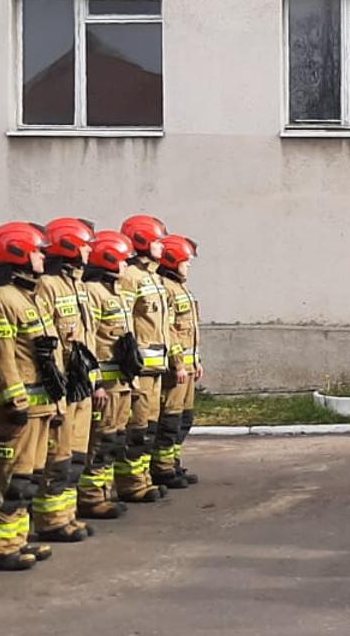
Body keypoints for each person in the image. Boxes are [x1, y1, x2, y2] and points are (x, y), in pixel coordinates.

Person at [0, 221, 62, 571]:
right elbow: (4, 353)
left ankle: (18, 537)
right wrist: (15, 400)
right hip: (20, 407)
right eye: (37, 250)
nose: (43, 256)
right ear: (17, 253)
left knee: (28, 477)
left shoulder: (30, 295)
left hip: (40, 405)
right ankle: (0, 546)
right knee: (10, 478)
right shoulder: (2, 298)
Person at [30, 217, 102, 543]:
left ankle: (67, 515)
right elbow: (44, 341)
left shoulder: (81, 286)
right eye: (85, 244)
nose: (90, 250)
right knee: (57, 456)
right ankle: (50, 518)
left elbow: (89, 337)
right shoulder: (48, 286)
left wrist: (95, 380)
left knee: (75, 455)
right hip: (64, 385)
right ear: (70, 246)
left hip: (81, 382)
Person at [75, 231, 137, 520]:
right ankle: (90, 497)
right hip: (106, 383)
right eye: (123, 260)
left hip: (120, 380)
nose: (127, 265)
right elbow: (89, 340)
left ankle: (104, 490)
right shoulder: (92, 291)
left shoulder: (117, 291)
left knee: (114, 438)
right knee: (100, 440)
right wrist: (96, 382)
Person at [114, 215, 173, 502]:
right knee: (136, 427)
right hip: (140, 369)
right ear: (142, 242)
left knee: (148, 427)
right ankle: (130, 483)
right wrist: (130, 365)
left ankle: (143, 477)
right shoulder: (130, 277)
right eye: (158, 241)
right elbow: (123, 323)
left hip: (155, 368)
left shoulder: (154, 277)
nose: (162, 247)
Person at [155, 234, 202, 488]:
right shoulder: (167, 289)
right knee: (170, 420)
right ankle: (162, 469)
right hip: (177, 369)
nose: (189, 265)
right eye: (186, 261)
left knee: (184, 418)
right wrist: (178, 364)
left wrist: (196, 362)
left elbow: (189, 331)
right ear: (173, 260)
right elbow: (169, 331)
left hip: (189, 367)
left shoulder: (180, 286)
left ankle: (172, 463)